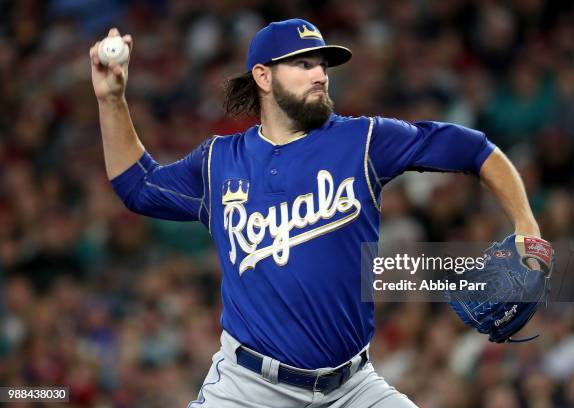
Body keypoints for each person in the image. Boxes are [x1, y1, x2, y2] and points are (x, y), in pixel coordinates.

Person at [90, 19, 541, 408]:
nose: (320, 74)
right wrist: (111, 100)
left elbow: (474, 148)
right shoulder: (219, 161)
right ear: (263, 77)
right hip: (249, 388)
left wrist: (526, 223)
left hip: (352, 388)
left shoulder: (363, 140)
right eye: (303, 64)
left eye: (322, 64)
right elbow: (139, 187)